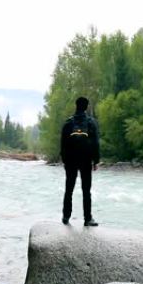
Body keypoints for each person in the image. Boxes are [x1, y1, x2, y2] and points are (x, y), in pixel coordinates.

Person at [60, 96, 100, 226]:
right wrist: (96, 161)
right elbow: (95, 143)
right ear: (86, 107)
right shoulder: (91, 122)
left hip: (71, 160)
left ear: (76, 106)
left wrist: (64, 160)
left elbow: (63, 143)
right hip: (86, 159)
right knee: (86, 190)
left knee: (69, 189)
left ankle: (66, 217)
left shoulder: (68, 123)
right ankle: (87, 218)